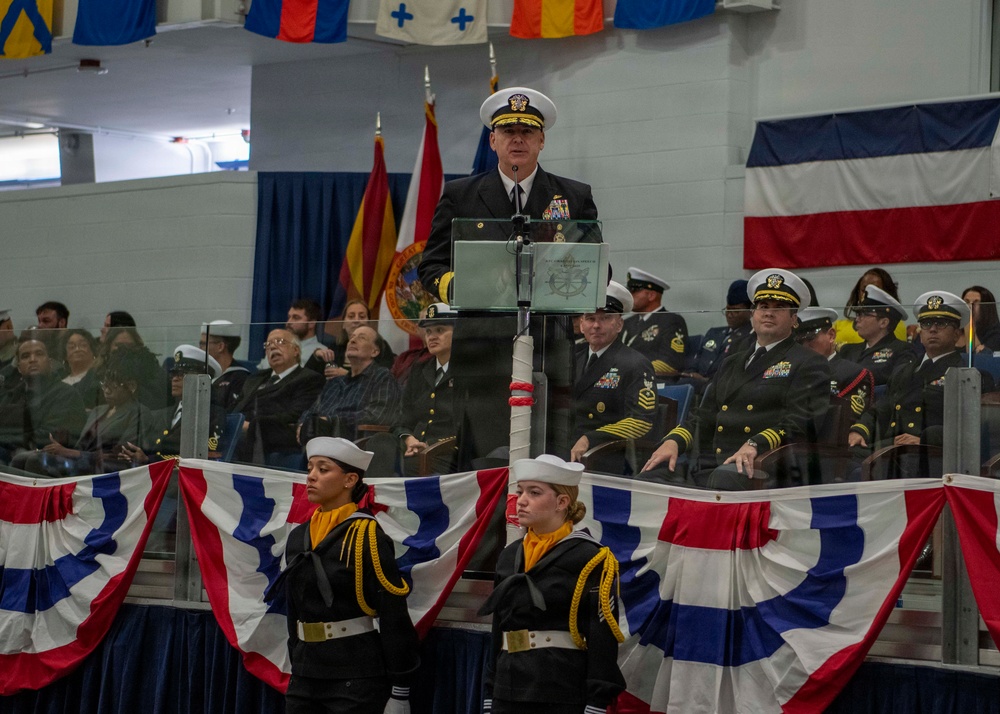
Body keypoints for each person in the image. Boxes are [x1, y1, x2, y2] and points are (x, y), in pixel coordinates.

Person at [417, 87, 598, 468]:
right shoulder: (461, 195)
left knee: (545, 459)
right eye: (509, 132)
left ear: (542, 140)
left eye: (527, 132)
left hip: (550, 348)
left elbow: (597, 267)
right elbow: (430, 265)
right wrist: (465, 287)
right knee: (485, 461)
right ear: (493, 140)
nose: (518, 139)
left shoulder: (573, 197)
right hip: (483, 349)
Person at [265, 437, 419, 714]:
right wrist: (297, 663)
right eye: (310, 467)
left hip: (354, 675)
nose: (311, 476)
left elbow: (393, 614)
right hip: (305, 674)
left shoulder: (367, 535)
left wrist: (400, 691)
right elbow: (293, 611)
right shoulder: (300, 536)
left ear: (349, 480)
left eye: (323, 469)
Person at [641, 269, 831, 486]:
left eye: (779, 307)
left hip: (767, 468)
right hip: (715, 465)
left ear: (794, 319)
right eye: (763, 306)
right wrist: (674, 441)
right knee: (649, 476)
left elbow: (801, 423)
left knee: (722, 479)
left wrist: (755, 444)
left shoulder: (808, 362)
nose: (769, 313)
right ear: (753, 315)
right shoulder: (732, 361)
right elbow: (704, 416)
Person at [478, 454, 625, 714]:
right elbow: (498, 629)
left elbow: (602, 637)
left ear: (562, 501)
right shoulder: (510, 555)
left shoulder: (591, 557)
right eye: (520, 491)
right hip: (508, 688)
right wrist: (491, 691)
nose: (521, 501)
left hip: (560, 691)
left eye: (534, 493)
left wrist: (596, 703)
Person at [851, 291, 973, 452]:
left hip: (929, 451)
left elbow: (967, 426)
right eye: (926, 324)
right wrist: (859, 430)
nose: (933, 330)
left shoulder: (965, 374)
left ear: (957, 334)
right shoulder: (904, 371)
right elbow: (882, 409)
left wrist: (924, 439)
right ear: (920, 333)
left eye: (941, 324)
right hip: (889, 447)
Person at [14, 345, 157, 476]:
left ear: (131, 386)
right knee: (20, 459)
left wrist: (70, 452)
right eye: (104, 383)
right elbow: (80, 446)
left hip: (106, 471)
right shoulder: (98, 410)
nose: (106, 390)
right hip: (82, 463)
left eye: (113, 385)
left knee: (36, 461)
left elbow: (122, 457)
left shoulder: (138, 413)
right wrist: (61, 447)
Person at [570, 281, 657, 463]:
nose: (596, 325)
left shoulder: (635, 363)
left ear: (619, 325)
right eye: (591, 318)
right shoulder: (571, 358)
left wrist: (590, 439)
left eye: (605, 318)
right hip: (565, 447)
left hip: (605, 454)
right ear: (582, 324)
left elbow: (640, 421)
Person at [368, 304, 457, 477]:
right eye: (429, 331)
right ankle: (375, 502)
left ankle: (381, 502)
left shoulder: (467, 371)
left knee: (401, 467)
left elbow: (467, 427)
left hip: (447, 453)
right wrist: (408, 438)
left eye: (440, 330)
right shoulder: (420, 369)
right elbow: (402, 418)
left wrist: (429, 444)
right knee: (380, 441)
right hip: (413, 448)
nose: (432, 337)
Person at [233, 328, 325, 464]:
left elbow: (295, 414)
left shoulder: (309, 378)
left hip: (273, 431)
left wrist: (250, 425)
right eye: (268, 345)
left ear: (296, 350)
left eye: (280, 342)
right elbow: (236, 406)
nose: (272, 347)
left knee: (252, 431)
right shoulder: (255, 377)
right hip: (243, 427)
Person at [122, 344, 225, 463]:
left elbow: (205, 457)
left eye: (182, 375)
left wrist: (148, 460)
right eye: (174, 374)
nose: (174, 379)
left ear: (201, 379)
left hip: (182, 476)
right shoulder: (163, 414)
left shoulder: (211, 414)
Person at [297, 326, 401, 444]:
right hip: (321, 441)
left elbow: (378, 416)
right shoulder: (335, 382)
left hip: (357, 443)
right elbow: (312, 410)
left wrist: (332, 420)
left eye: (362, 338)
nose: (352, 340)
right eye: (351, 337)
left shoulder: (382, 377)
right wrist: (302, 424)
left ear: (374, 351)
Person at [0, 331, 86, 465]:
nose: (32, 359)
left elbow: (49, 438)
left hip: (48, 465)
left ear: (50, 362)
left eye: (39, 354)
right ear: (19, 368)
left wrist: (10, 439)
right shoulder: (10, 396)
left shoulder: (66, 394)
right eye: (25, 356)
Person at [794, 307, 875, 430]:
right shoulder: (792, 370)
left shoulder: (853, 373)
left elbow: (844, 419)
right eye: (800, 340)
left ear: (831, 335)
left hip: (827, 442)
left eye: (811, 338)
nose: (805, 345)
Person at [680, 279, 754, 392]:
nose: (730, 315)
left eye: (736, 311)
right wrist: (690, 374)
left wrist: (706, 380)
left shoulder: (751, 338)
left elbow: (734, 373)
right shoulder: (714, 333)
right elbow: (694, 361)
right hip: (695, 386)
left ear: (750, 311)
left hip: (719, 388)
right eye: (728, 310)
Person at [838, 285, 915, 386]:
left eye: (864, 314)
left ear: (883, 322)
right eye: (858, 314)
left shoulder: (902, 350)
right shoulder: (848, 350)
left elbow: (897, 386)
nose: (857, 319)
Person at [620, 267, 687, 380]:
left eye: (634, 291)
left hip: (651, 382)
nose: (630, 296)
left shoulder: (671, 321)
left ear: (651, 295)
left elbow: (670, 363)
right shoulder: (626, 322)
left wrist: (627, 369)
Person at [97, 326, 172, 409]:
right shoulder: (97, 373)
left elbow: (159, 402)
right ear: (109, 347)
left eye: (129, 345)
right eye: (119, 345)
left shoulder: (153, 372)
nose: (124, 349)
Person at [835, 268, 908, 347]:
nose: (867, 295)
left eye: (875, 290)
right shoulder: (839, 325)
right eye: (864, 290)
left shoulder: (895, 325)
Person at [201, 320, 251, 410]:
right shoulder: (203, 374)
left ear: (220, 347)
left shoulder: (240, 379)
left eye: (203, 344)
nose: (200, 349)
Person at [61, 328, 102, 409]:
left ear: (93, 350)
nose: (77, 349)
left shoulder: (99, 375)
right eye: (72, 347)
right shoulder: (61, 383)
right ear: (65, 355)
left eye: (83, 345)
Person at [960, 285, 1000, 353]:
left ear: (987, 307)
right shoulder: (955, 330)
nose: (970, 306)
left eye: (976, 302)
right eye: (966, 302)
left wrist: (969, 324)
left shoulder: (996, 334)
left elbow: (979, 357)